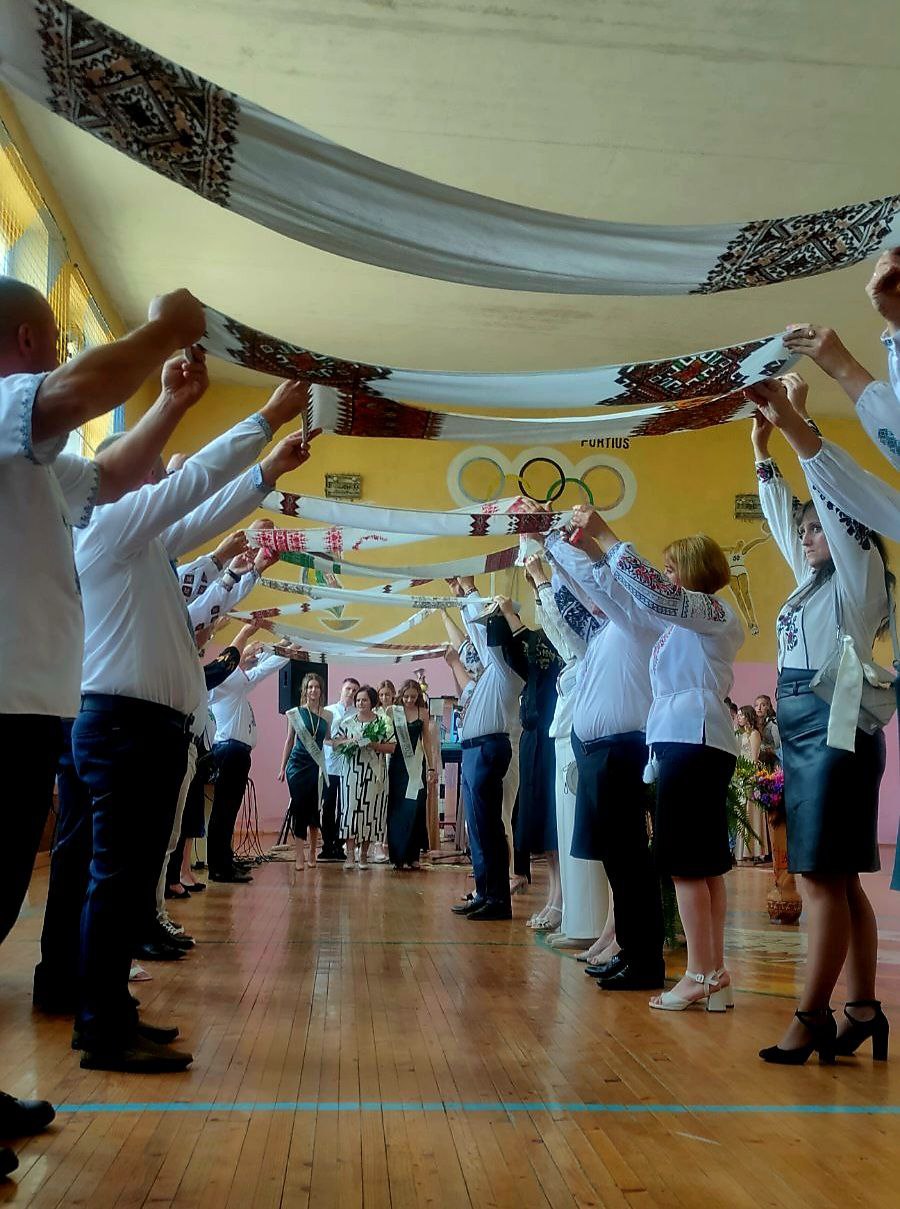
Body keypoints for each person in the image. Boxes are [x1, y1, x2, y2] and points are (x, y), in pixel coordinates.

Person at [0, 278, 208, 1164]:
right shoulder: (8, 404)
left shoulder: (38, 460)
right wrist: (162, 330)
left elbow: (118, 473)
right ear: (29, 337)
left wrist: (167, 402)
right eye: (53, 337)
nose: (60, 353)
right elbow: (76, 393)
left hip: (33, 701)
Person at [70, 377, 312, 1073]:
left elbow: (204, 512)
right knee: (116, 879)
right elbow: (194, 485)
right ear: (111, 479)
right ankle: (100, 1024)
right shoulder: (108, 524)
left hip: (141, 727)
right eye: (143, 469)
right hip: (122, 725)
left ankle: (111, 1012)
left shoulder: (142, 543)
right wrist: (264, 418)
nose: (156, 478)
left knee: (127, 875)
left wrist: (267, 471)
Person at [748, 377, 892, 1065]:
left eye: (819, 526)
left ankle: (812, 1017)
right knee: (841, 878)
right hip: (810, 729)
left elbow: (833, 508)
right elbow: (783, 515)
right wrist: (762, 451)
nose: (808, 534)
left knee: (819, 879)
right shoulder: (811, 583)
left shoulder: (861, 574)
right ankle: (862, 1007)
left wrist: (799, 420)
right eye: (805, 528)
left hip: (835, 733)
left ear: (846, 528)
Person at [570, 505, 744, 1012]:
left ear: (693, 571)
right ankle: (713, 972)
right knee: (705, 867)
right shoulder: (679, 624)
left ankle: (698, 973)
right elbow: (630, 604)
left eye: (672, 566)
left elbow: (658, 594)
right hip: (681, 742)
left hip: (695, 742)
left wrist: (608, 534)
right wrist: (594, 555)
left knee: (688, 866)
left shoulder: (712, 611)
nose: (666, 576)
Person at [542, 527, 664, 991]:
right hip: (598, 753)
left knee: (630, 862)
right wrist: (550, 562)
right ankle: (630, 950)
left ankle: (645, 960)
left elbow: (598, 584)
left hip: (621, 750)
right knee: (616, 861)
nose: (594, 598)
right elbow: (579, 592)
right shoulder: (607, 631)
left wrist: (558, 544)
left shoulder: (637, 619)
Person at [524, 554, 611, 949]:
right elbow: (558, 633)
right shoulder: (576, 656)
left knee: (580, 830)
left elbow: (569, 628)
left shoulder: (600, 635)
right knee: (565, 829)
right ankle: (576, 918)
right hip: (564, 733)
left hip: (583, 733)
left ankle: (588, 922)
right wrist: (540, 588)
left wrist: (545, 579)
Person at [447, 576, 525, 921]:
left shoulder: (508, 669)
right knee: (477, 828)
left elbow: (483, 637)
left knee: (489, 827)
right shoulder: (491, 673)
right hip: (474, 750)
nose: (486, 633)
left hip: (489, 749)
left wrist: (471, 591)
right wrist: (464, 596)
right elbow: (479, 637)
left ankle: (497, 898)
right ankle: (484, 890)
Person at [207, 642, 291, 881]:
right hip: (230, 751)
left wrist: (282, 646)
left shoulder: (237, 685)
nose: (254, 661)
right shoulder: (228, 682)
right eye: (248, 658)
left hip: (236, 752)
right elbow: (263, 668)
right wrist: (291, 649)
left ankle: (225, 860)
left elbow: (262, 665)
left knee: (228, 811)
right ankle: (220, 867)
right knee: (224, 811)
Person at [332, 686, 394, 869]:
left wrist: (373, 744)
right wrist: (349, 742)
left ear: (372, 702)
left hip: (374, 774)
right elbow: (335, 744)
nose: (360, 703)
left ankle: (365, 855)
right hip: (352, 774)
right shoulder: (347, 721)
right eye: (358, 700)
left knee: (370, 813)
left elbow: (391, 747)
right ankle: (350, 855)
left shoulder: (382, 722)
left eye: (364, 700)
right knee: (351, 812)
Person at [279, 672, 331, 869]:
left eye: (317, 687)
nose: (313, 690)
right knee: (299, 808)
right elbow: (289, 740)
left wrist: (345, 742)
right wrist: (282, 767)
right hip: (296, 766)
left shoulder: (328, 715)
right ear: (305, 690)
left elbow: (327, 739)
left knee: (313, 810)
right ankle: (299, 854)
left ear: (321, 690)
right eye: (310, 687)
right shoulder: (294, 713)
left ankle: (312, 851)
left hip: (316, 767)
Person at [387, 679, 437, 869]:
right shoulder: (393, 711)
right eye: (406, 696)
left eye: (413, 697)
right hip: (398, 765)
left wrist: (431, 768)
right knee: (398, 809)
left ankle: (413, 855)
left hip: (416, 765)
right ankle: (398, 856)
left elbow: (427, 742)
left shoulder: (423, 713)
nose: (409, 700)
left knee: (415, 808)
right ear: (401, 695)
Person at [318, 678, 360, 861]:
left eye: (354, 690)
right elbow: (323, 738)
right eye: (348, 689)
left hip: (348, 767)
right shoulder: (328, 711)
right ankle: (327, 844)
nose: (350, 693)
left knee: (344, 808)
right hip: (329, 765)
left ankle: (338, 844)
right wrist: (337, 742)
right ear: (341, 690)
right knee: (327, 806)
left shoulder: (358, 714)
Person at [734, 706, 767, 863]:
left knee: (751, 813)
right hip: (740, 775)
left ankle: (755, 850)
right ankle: (743, 851)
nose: (739, 718)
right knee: (742, 814)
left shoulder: (754, 734)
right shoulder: (740, 735)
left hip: (750, 776)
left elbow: (754, 759)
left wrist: (748, 776)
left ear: (748, 717)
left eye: (741, 715)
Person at [754, 694, 782, 765]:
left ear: (768, 707)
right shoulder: (754, 723)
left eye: (763, 705)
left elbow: (778, 746)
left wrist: (770, 750)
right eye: (756, 705)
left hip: (775, 761)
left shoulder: (773, 723)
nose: (759, 708)